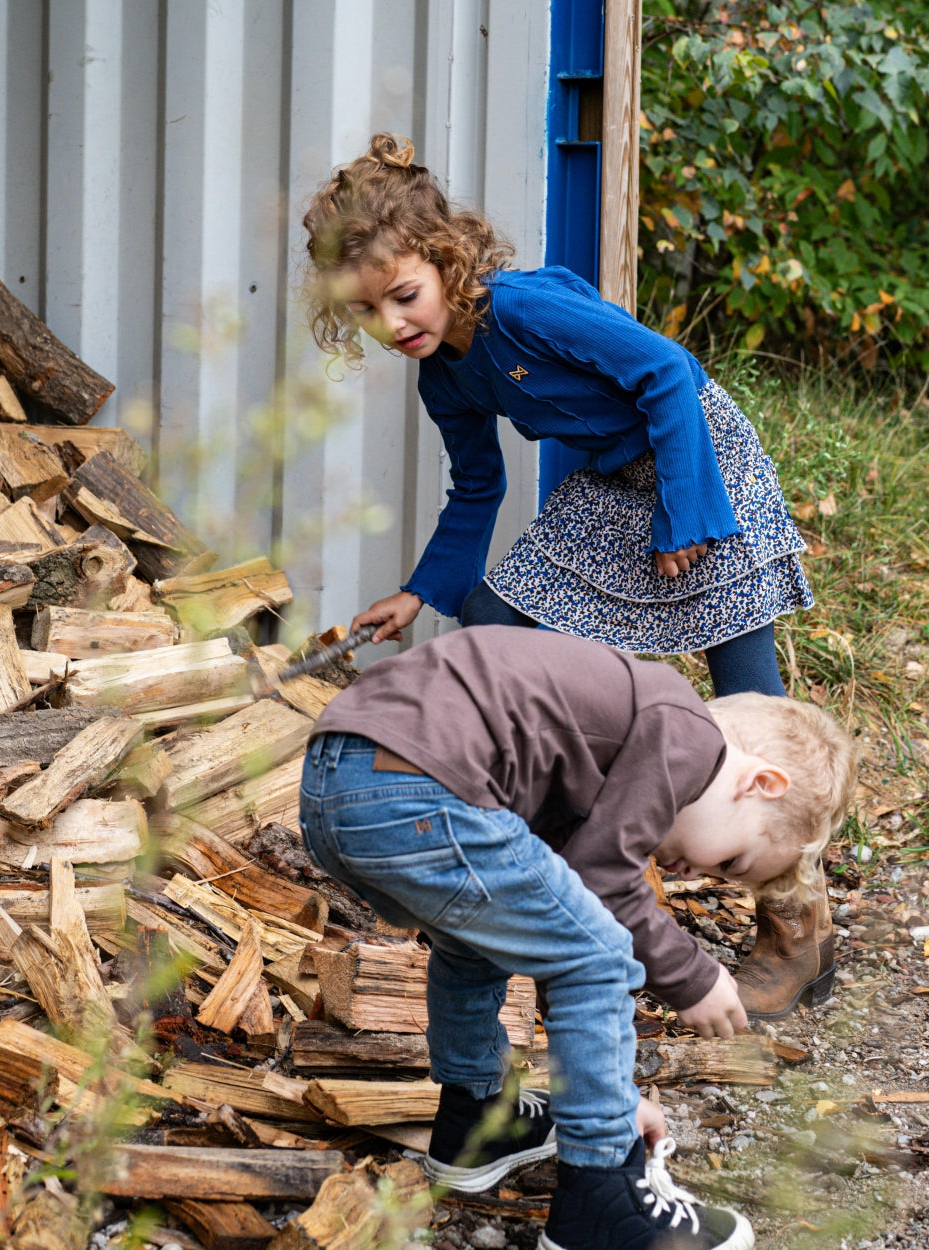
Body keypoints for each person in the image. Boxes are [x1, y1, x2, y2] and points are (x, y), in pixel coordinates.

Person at [302, 134, 832, 1021]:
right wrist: (421, 592)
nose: (395, 325)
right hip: (618, 478)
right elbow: (478, 486)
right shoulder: (445, 373)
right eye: (368, 314)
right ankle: (509, 854)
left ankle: (798, 930)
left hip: (698, 453)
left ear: (447, 260)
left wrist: (686, 513)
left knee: (751, 693)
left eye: (405, 296)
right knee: (492, 611)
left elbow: (665, 371)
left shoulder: (522, 311)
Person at [299, 627, 857, 1250]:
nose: (698, 874)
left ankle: (477, 1120)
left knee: (476, 943)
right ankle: (600, 1199)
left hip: (340, 781)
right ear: (759, 783)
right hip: (420, 786)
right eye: (730, 862)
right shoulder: (687, 734)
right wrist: (691, 976)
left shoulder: (611, 745)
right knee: (601, 958)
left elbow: (556, 914)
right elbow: (600, 894)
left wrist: (611, 1099)